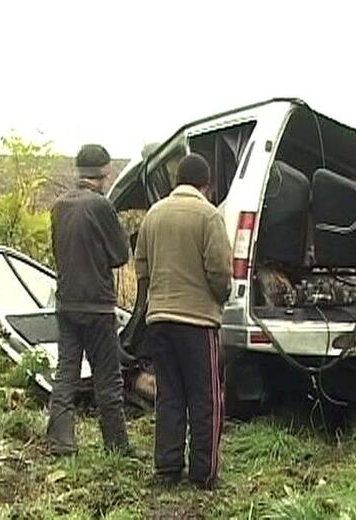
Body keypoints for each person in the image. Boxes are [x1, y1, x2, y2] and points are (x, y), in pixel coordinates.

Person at [134, 153, 232, 489]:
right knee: (206, 398)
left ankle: (166, 470)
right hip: (197, 322)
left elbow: (141, 266)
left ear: (177, 181)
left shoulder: (154, 214)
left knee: (169, 396)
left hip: (159, 320)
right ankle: (203, 475)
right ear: (206, 184)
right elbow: (219, 270)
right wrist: (222, 297)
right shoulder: (209, 216)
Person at [47, 143, 132, 456]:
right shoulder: (100, 206)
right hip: (97, 306)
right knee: (108, 379)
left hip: (67, 303)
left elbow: (58, 252)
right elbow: (121, 255)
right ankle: (117, 446)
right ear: (105, 172)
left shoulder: (59, 206)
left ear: (78, 171)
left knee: (66, 374)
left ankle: (61, 442)